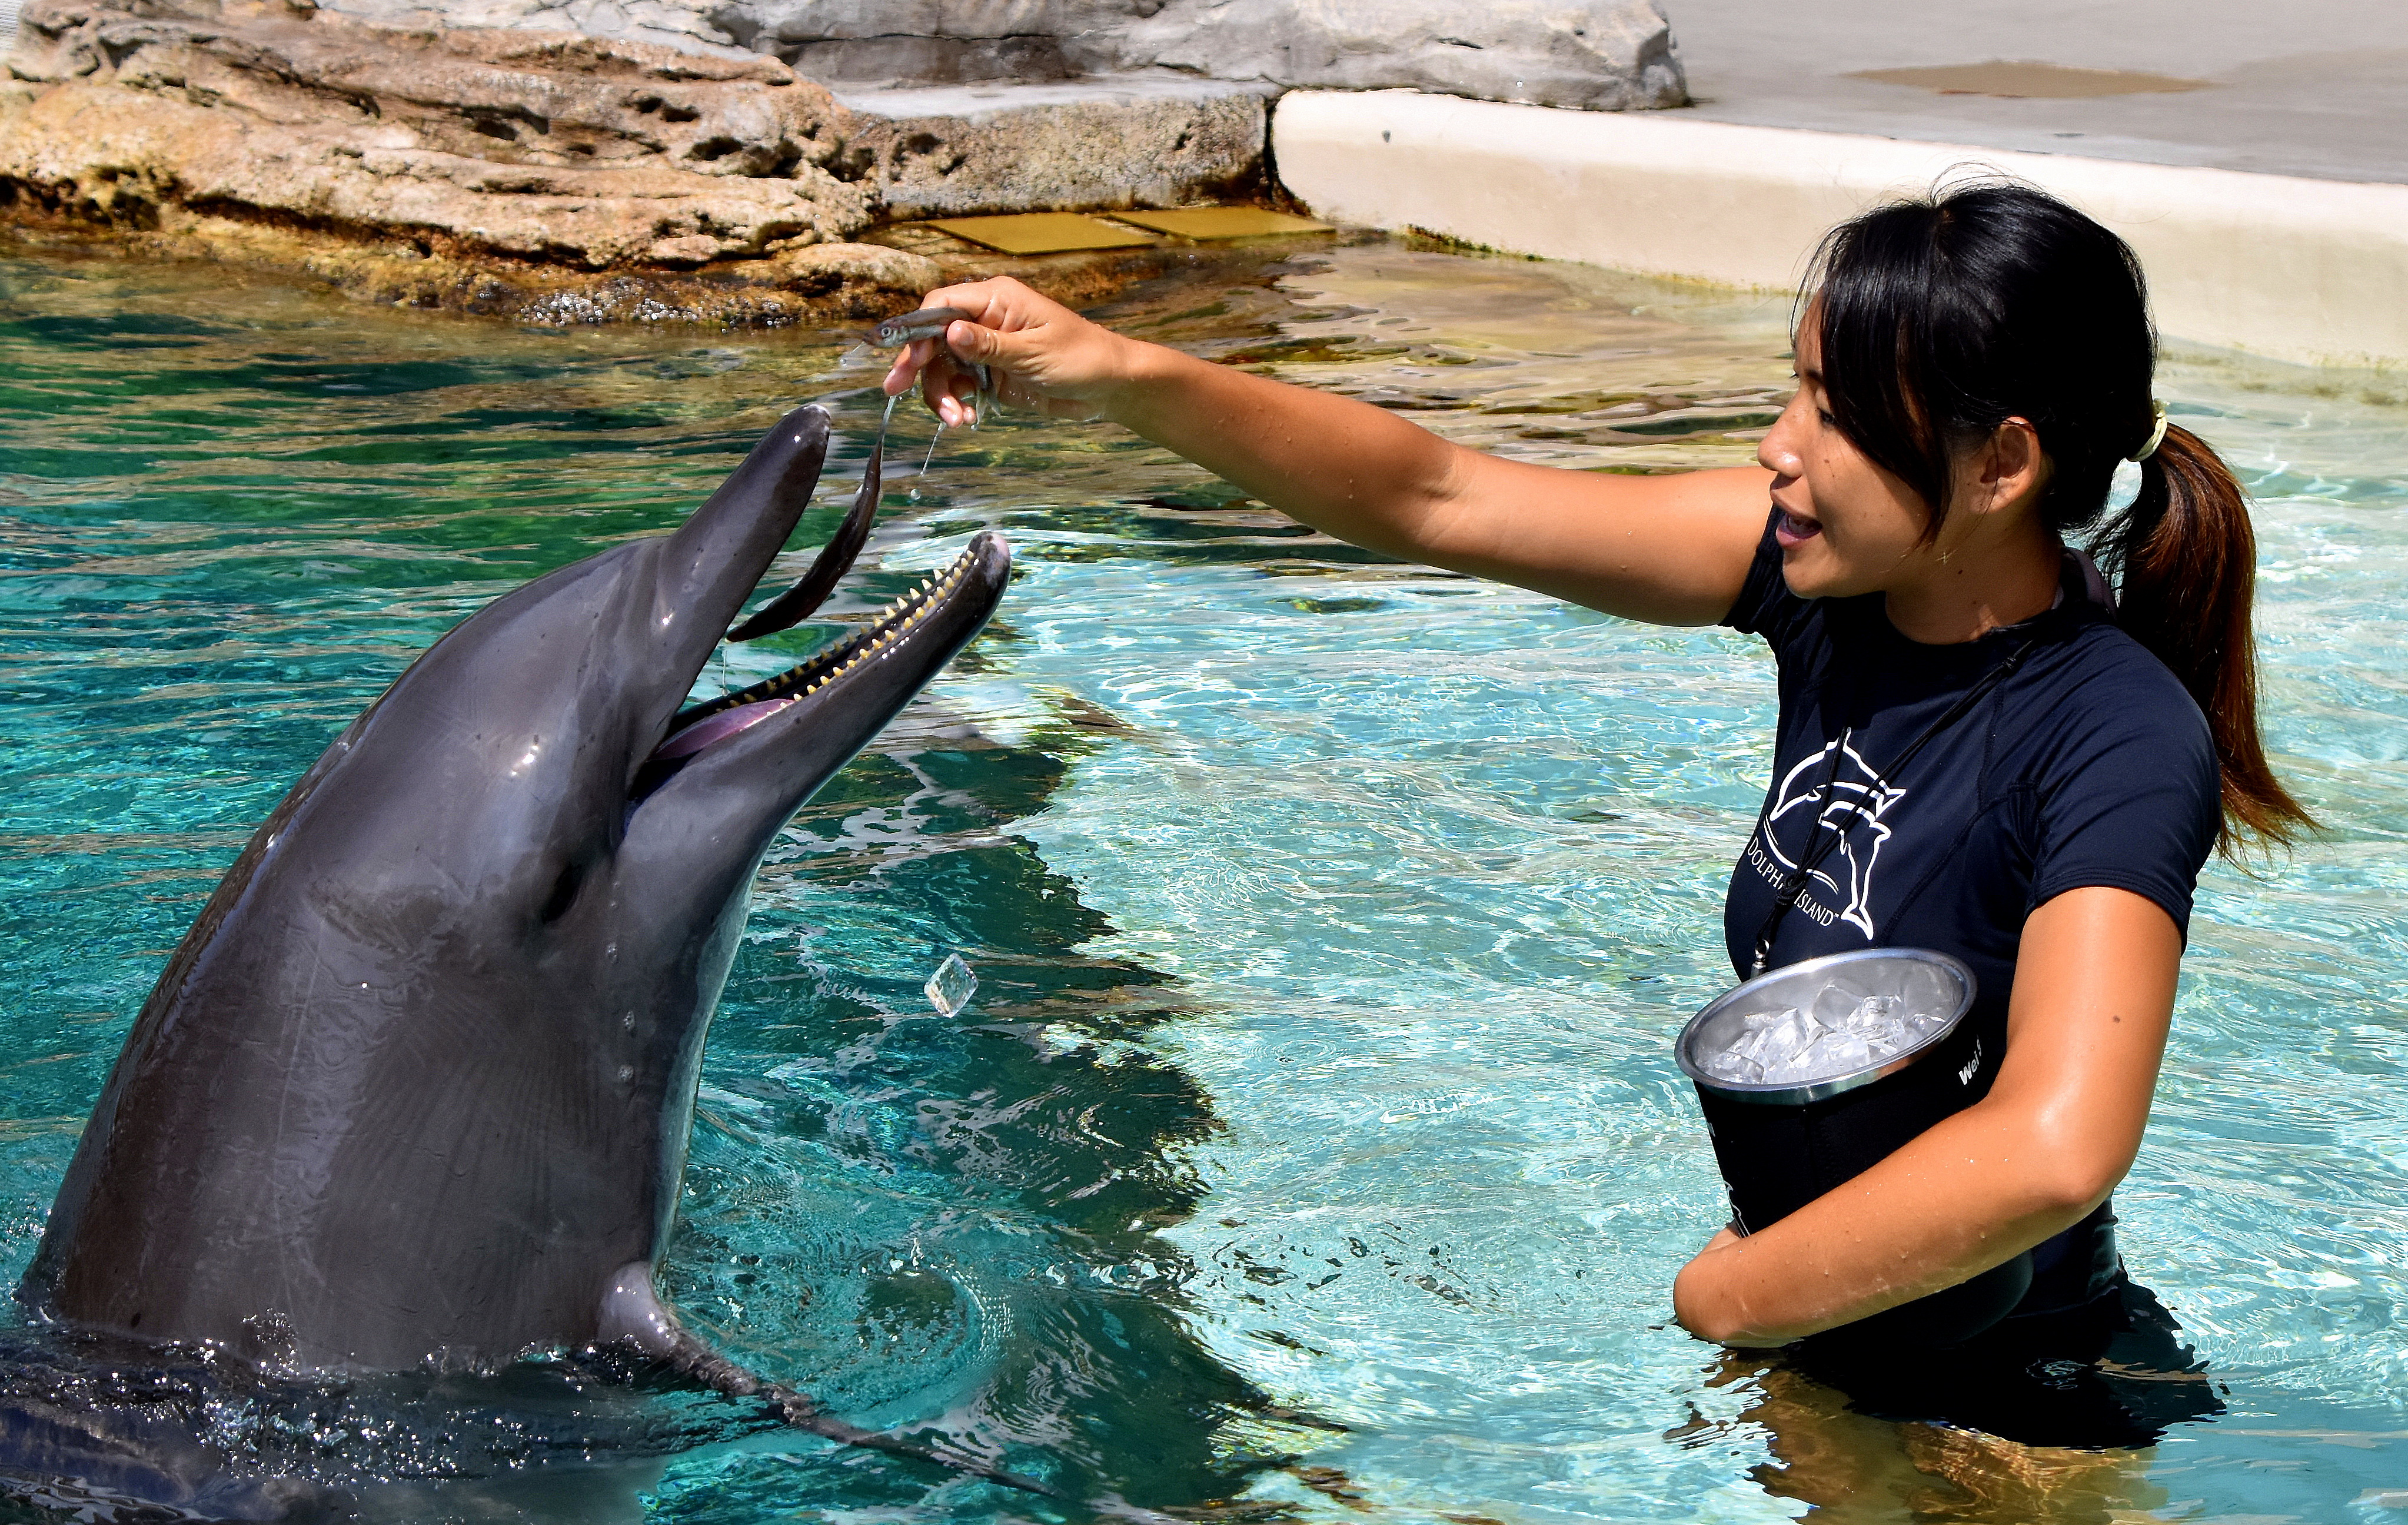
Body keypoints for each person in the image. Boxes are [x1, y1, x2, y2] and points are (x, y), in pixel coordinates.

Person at [882, 181, 2306, 1438]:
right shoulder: (1829, 586)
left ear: (1999, 465)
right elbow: (1435, 497)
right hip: (1823, 1330)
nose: (1775, 446)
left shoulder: (2113, 734)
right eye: (1794, 389)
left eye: (1835, 414)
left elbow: (2055, 1147)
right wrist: (1118, 369)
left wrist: (1725, 1291)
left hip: (2018, 1386)